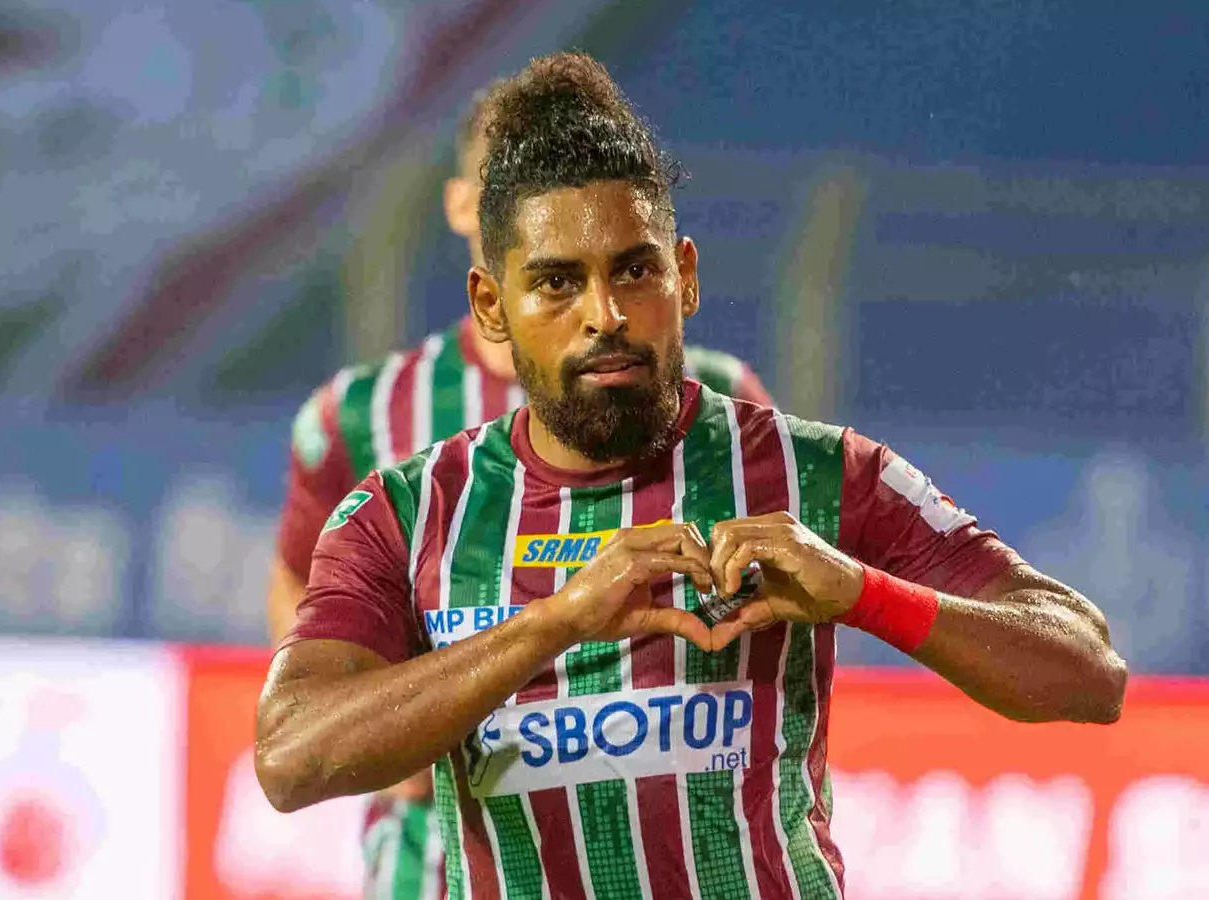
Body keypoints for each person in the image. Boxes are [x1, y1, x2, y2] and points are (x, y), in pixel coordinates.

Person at [256, 54, 1125, 900]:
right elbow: (290, 757)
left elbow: (1090, 670)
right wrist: (555, 624)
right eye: (557, 284)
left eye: (636, 270)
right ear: (492, 306)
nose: (605, 315)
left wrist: (864, 594)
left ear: (688, 277)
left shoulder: (813, 470)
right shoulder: (406, 511)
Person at [264, 85, 773, 900]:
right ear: (463, 206)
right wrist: (379, 724)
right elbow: (299, 583)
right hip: (438, 855)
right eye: (503, 177)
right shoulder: (366, 412)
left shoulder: (718, 399)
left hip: (669, 843)